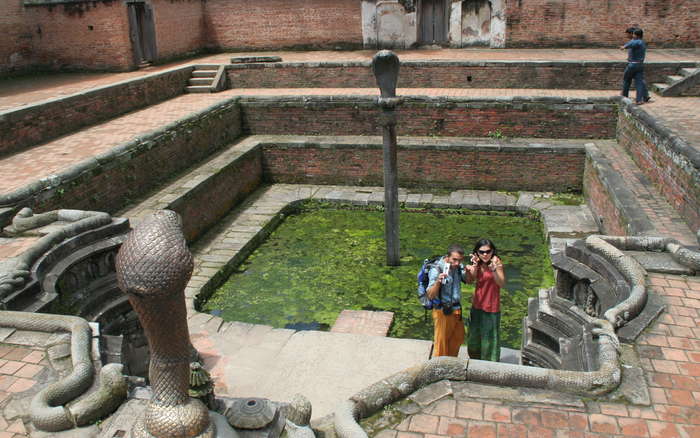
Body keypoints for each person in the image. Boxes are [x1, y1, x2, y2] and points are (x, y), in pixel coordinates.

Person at [465, 238, 505, 361]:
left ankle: (489, 367)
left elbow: (501, 283)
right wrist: (474, 266)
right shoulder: (478, 263)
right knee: (473, 340)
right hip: (477, 305)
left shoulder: (497, 263)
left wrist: (493, 270)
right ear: (477, 252)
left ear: (492, 251)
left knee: (489, 341)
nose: (485, 254)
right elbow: (469, 280)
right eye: (482, 252)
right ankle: (475, 361)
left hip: (491, 308)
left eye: (488, 251)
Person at [426, 244, 466, 357]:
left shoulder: (458, 267)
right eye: (454, 260)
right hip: (443, 311)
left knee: (458, 338)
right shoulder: (436, 269)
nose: (457, 263)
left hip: (456, 309)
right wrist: (438, 281)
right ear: (447, 257)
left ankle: (449, 367)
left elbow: (468, 279)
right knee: (441, 345)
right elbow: (430, 295)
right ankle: (438, 371)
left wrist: (473, 268)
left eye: (459, 260)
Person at [620, 27, 651, 105]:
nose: (632, 35)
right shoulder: (642, 42)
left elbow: (631, 44)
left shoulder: (637, 42)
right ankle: (639, 99)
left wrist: (624, 47)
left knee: (626, 80)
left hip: (632, 65)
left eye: (633, 34)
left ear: (636, 35)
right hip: (640, 65)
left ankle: (624, 96)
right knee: (639, 83)